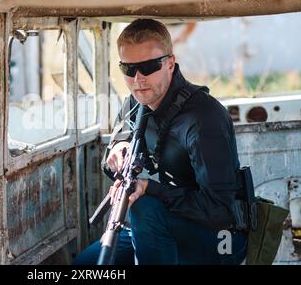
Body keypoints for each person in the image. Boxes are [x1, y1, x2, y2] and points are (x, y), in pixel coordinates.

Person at [74, 19, 248, 265]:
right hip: (160, 222)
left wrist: (151, 189)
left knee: (144, 209)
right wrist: (117, 149)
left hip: (220, 237)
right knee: (86, 266)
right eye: (129, 69)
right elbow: (118, 144)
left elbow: (220, 211)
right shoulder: (135, 103)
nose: (138, 79)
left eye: (148, 67)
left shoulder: (204, 118)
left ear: (170, 63)